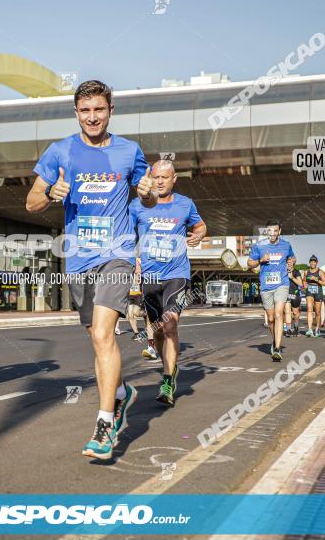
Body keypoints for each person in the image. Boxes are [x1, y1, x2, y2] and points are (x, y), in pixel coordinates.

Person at [25, 79, 155, 460]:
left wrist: (146, 193)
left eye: (99, 109)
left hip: (116, 252)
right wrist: (50, 194)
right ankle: (120, 393)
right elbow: (31, 201)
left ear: (110, 111)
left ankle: (104, 424)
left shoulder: (129, 152)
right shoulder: (60, 151)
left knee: (102, 334)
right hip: (78, 258)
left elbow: (145, 199)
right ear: (76, 112)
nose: (92, 117)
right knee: (96, 337)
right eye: (85, 110)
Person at [130, 159, 206, 406]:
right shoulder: (138, 206)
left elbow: (201, 225)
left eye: (165, 177)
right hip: (150, 277)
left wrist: (199, 234)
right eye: (156, 177)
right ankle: (169, 369)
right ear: (149, 178)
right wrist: (134, 263)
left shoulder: (185, 204)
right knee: (158, 330)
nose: (160, 181)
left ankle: (166, 381)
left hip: (177, 274)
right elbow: (127, 238)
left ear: (174, 179)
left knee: (170, 323)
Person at [247, 220, 295, 361]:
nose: (272, 233)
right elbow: (249, 263)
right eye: (270, 231)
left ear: (279, 231)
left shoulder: (286, 245)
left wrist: (292, 263)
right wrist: (261, 260)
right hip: (266, 286)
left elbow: (292, 258)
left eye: (275, 230)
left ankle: (278, 349)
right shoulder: (260, 246)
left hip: (282, 283)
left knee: (279, 314)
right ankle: (274, 341)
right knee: (271, 319)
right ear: (266, 232)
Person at [303, 255, 325, 337]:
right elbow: (304, 281)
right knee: (309, 309)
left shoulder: (320, 272)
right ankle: (309, 329)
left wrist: (317, 279)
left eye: (314, 262)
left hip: (318, 292)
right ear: (309, 262)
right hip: (309, 291)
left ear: (316, 263)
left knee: (317, 312)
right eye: (311, 262)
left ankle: (317, 329)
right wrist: (305, 284)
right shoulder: (306, 272)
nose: (313, 263)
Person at [285, 265, 303, 336]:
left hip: (295, 294)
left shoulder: (296, 272)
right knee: (287, 312)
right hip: (286, 293)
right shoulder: (283, 271)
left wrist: (292, 277)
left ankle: (296, 327)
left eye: (290, 262)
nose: (289, 264)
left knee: (295, 313)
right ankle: (288, 329)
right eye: (287, 262)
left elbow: (300, 283)